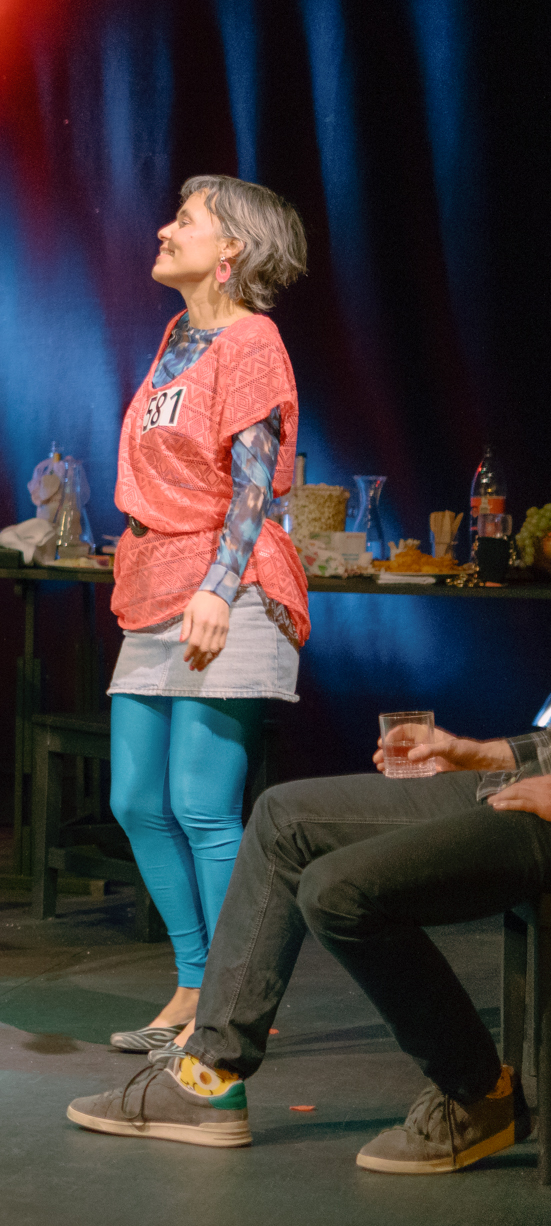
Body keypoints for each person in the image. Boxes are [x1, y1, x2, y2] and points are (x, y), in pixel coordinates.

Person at [66, 718, 547, 1174]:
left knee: (334, 892)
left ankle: (478, 1092)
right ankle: (208, 1074)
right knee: (280, 818)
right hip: (518, 779)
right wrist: (480, 754)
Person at [101, 176, 311, 1053]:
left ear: (230, 250)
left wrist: (219, 589)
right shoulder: (177, 336)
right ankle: (194, 983)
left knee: (199, 804)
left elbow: (254, 488)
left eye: (184, 221)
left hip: (224, 586)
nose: (163, 229)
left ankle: (229, 1004)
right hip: (156, 581)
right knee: (133, 800)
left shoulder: (251, 340)